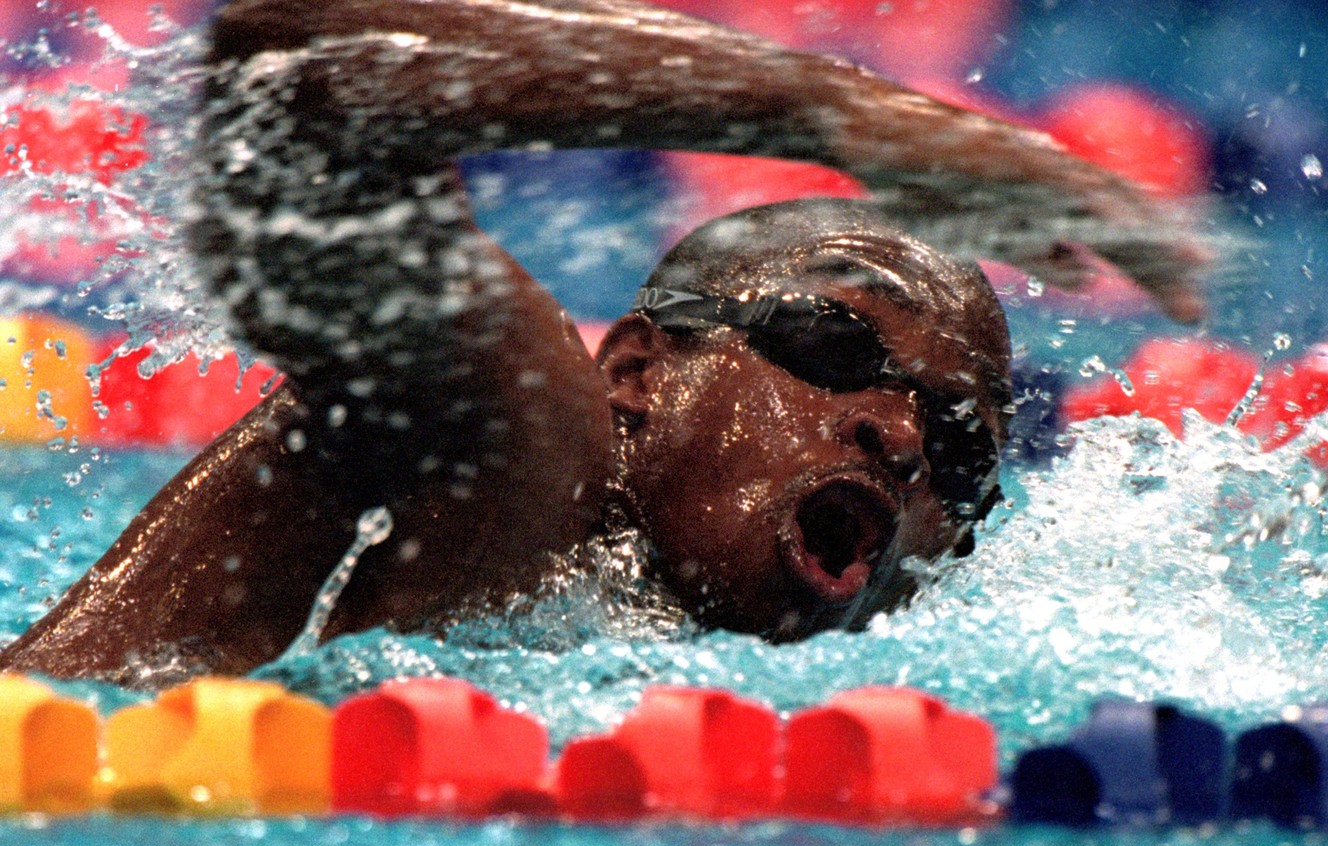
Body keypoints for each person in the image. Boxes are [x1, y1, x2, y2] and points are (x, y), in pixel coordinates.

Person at [0, 0, 1207, 682]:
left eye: (959, 442)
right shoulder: (535, 442)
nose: (898, 432)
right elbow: (302, 73)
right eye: (835, 345)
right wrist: (826, 105)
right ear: (635, 373)